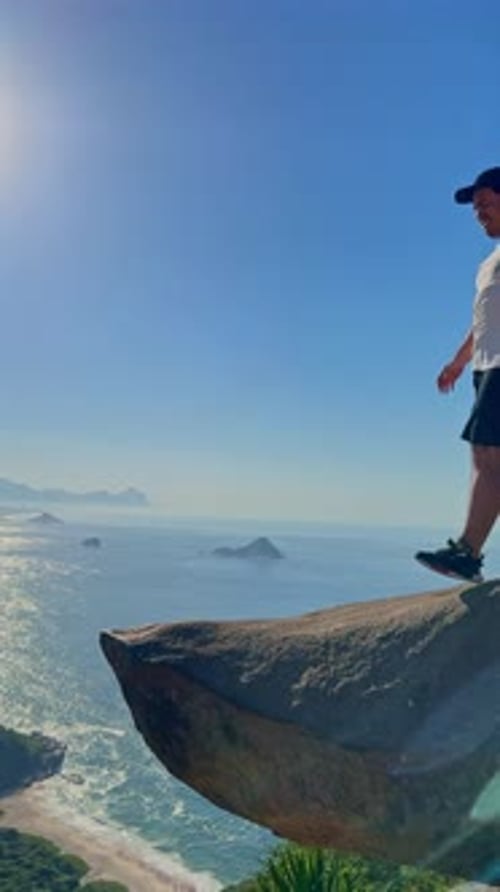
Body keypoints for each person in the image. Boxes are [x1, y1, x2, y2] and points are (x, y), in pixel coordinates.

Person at [415, 167, 500, 583]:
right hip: (486, 367)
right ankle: (468, 552)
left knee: (488, 456)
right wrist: (458, 362)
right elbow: (482, 321)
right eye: (475, 208)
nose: (478, 213)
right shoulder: (488, 265)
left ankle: (468, 552)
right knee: (486, 457)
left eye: (485, 203)